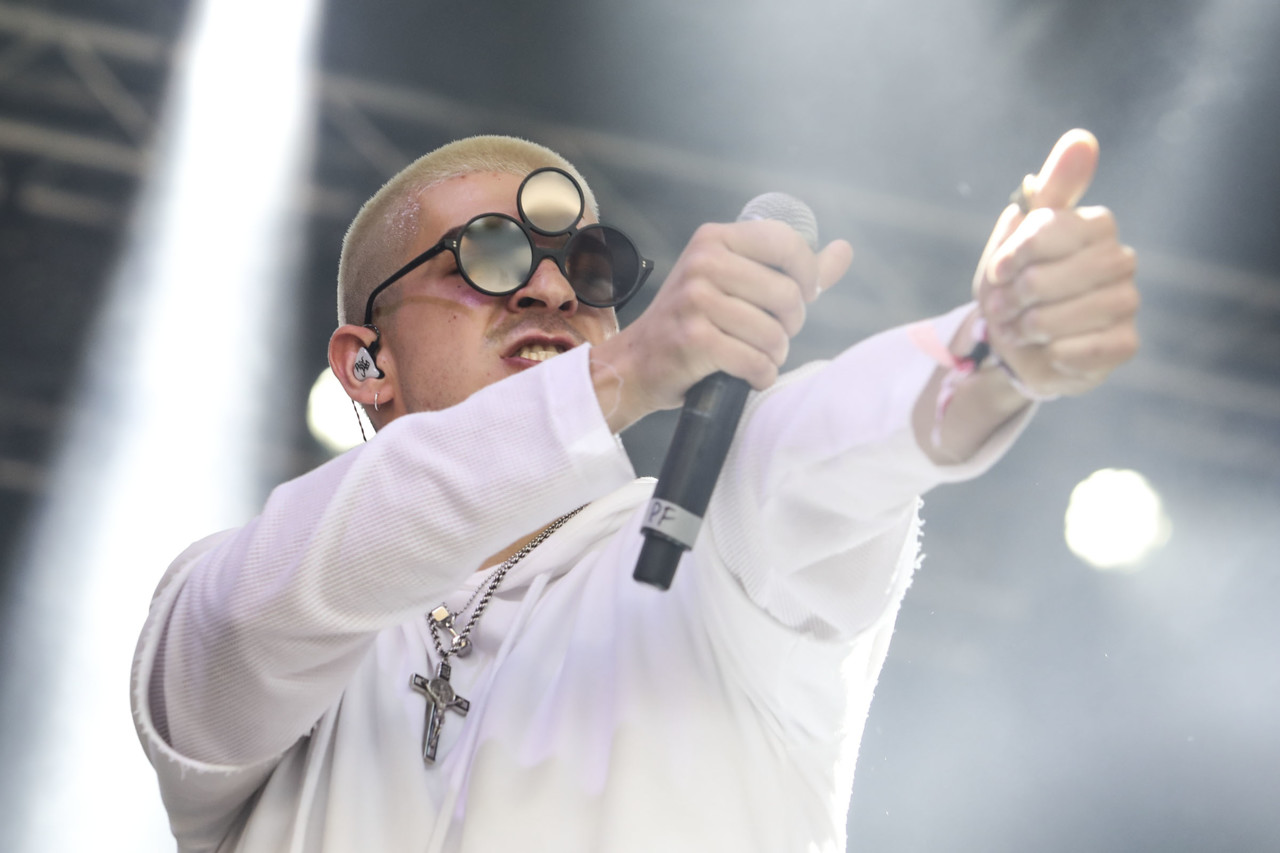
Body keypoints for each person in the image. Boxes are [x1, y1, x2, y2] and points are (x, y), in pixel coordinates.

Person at [131, 131, 1138, 852]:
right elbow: (246, 612)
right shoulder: (261, 608)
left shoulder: (708, 553)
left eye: (591, 267)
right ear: (365, 364)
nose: (554, 290)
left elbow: (819, 449)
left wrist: (986, 353)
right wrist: (618, 375)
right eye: (489, 254)